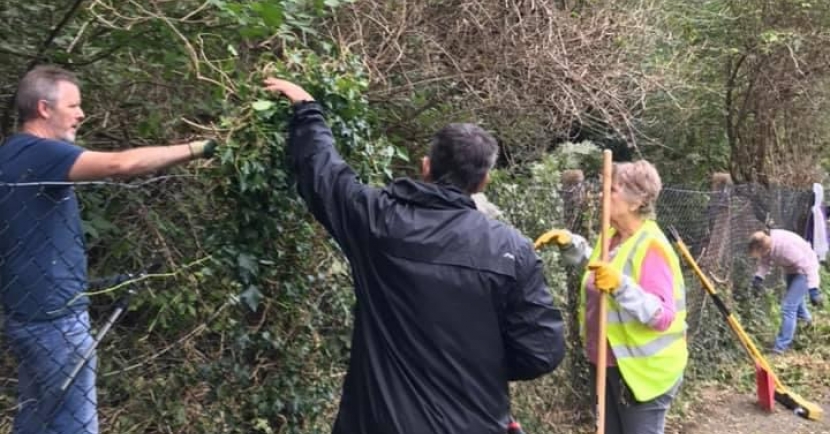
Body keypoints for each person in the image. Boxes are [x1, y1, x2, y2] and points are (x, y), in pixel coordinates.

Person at [262, 77, 565, 434]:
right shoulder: (511, 250)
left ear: (425, 167)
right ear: (483, 181)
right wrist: (478, 365)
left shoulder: (379, 222)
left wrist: (307, 110)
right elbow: (541, 351)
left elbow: (324, 176)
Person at [0, 65, 216, 434]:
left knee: (37, 418)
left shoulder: (11, 154)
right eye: (74, 105)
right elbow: (121, 164)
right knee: (74, 425)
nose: (82, 114)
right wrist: (197, 147)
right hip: (57, 323)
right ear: (43, 108)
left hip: (27, 315)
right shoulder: (42, 153)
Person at [536, 160, 687, 434]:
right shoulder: (613, 237)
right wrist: (572, 244)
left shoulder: (651, 246)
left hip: (643, 372)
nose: (601, 196)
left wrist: (620, 286)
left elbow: (662, 316)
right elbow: (601, 270)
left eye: (611, 190)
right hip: (607, 363)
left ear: (636, 201)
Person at [748, 228, 823, 354]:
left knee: (788, 307)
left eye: (760, 253)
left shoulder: (785, 247)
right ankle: (810, 329)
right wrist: (758, 278)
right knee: (797, 306)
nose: (761, 257)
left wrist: (813, 289)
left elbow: (809, 267)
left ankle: (780, 348)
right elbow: (765, 262)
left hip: (805, 271)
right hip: (792, 269)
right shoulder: (767, 245)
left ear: (764, 248)